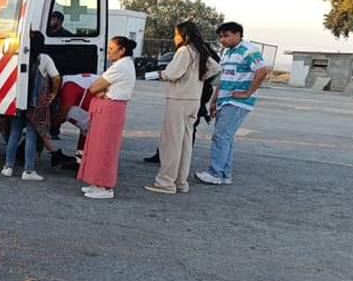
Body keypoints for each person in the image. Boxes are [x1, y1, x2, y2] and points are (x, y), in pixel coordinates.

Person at [145, 21, 221, 194]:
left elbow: (172, 73)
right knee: (185, 142)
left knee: (171, 142)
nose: (174, 38)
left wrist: (160, 74)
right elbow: (216, 67)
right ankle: (180, 182)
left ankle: (165, 182)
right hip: (193, 100)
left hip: (178, 99)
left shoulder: (184, 51)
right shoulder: (199, 51)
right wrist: (196, 79)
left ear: (184, 35)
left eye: (176, 34)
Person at [196, 21, 270, 186]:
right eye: (221, 36)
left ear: (238, 34)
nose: (222, 39)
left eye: (226, 35)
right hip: (225, 99)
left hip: (237, 101)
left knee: (221, 136)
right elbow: (222, 79)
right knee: (226, 138)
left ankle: (215, 173)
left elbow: (262, 71)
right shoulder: (227, 54)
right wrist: (214, 100)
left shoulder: (249, 50)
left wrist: (248, 93)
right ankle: (224, 174)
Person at [77, 36, 136, 199]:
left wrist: (100, 90)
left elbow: (94, 87)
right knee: (98, 146)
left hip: (111, 109)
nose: (108, 52)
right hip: (109, 107)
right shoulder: (123, 64)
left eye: (111, 49)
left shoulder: (121, 66)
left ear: (122, 50)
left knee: (105, 148)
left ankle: (105, 186)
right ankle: (97, 182)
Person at [1, 32, 63, 181]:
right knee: (31, 134)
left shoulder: (19, 55)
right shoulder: (44, 58)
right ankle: (28, 171)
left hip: (18, 101)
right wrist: (54, 93)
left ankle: (8, 167)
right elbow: (56, 77)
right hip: (35, 103)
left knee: (15, 133)